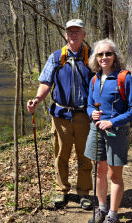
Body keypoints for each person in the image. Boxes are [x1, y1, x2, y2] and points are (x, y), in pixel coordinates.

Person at [27, 19, 94, 210]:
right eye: (70, 31)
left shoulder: (92, 57)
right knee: (61, 154)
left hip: (84, 115)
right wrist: (37, 99)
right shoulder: (56, 57)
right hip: (61, 115)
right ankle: (61, 190)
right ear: (65, 35)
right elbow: (46, 82)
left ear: (83, 34)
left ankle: (84, 192)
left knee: (85, 155)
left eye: (77, 31)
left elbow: (101, 83)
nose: (73, 34)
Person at [84, 38, 132, 223]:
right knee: (99, 170)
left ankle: (113, 215)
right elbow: (90, 104)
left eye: (108, 53)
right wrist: (92, 112)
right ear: (95, 58)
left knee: (114, 174)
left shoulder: (125, 78)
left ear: (115, 56)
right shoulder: (94, 79)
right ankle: (102, 208)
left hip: (117, 132)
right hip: (96, 129)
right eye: (100, 54)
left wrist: (113, 121)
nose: (104, 57)